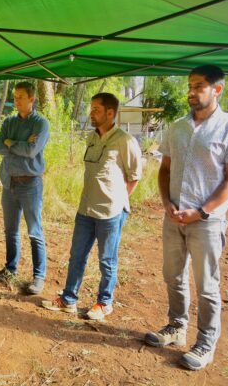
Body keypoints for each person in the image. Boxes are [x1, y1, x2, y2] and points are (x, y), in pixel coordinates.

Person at [144, 65, 228, 371]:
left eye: (198, 86)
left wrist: (202, 211)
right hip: (174, 218)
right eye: (189, 85)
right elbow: (164, 170)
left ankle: (206, 342)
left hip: (207, 222)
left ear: (217, 89)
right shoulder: (176, 127)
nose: (190, 91)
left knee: (207, 286)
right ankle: (176, 327)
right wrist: (166, 204)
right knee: (172, 276)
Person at [41, 92, 142, 320]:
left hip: (110, 213)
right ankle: (68, 300)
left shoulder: (125, 141)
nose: (91, 113)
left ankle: (104, 303)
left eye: (96, 109)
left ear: (110, 113)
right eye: (91, 108)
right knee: (76, 256)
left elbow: (134, 176)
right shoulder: (91, 137)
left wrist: (119, 202)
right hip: (85, 210)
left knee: (107, 260)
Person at [0, 81, 49, 295]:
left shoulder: (40, 124)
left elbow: (32, 151)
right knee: (10, 231)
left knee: (34, 232)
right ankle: (10, 269)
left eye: (20, 97)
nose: (16, 100)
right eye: (14, 97)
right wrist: (17, 143)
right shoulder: (9, 122)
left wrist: (10, 143)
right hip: (9, 183)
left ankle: (38, 277)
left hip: (31, 183)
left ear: (32, 99)